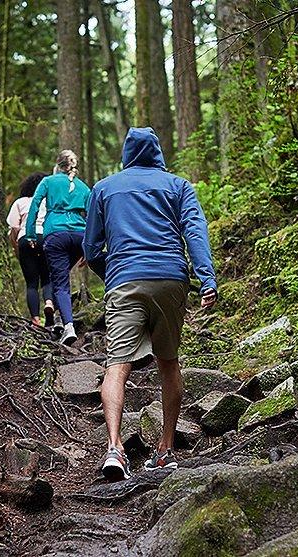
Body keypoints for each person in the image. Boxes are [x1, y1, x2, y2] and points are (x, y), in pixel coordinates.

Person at [83, 127, 218, 481]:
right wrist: (206, 278)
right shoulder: (178, 186)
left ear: (126, 154)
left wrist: (111, 273)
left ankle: (114, 448)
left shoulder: (104, 188)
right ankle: (165, 450)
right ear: (157, 152)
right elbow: (195, 231)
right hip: (171, 279)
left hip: (125, 279)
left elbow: (91, 249)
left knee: (117, 366)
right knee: (169, 362)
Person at [25, 150, 91, 346]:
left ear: (57, 165)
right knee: (58, 276)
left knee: (60, 281)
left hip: (56, 233)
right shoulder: (84, 187)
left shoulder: (49, 181)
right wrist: (89, 245)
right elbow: (92, 216)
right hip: (79, 235)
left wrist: (30, 233)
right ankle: (58, 319)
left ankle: (68, 326)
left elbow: (35, 205)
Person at [7, 172, 55, 327]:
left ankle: (35, 319)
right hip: (46, 238)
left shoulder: (20, 202)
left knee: (32, 283)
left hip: (26, 239)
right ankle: (49, 303)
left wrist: (17, 248)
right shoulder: (49, 202)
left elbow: (14, 228)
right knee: (48, 278)